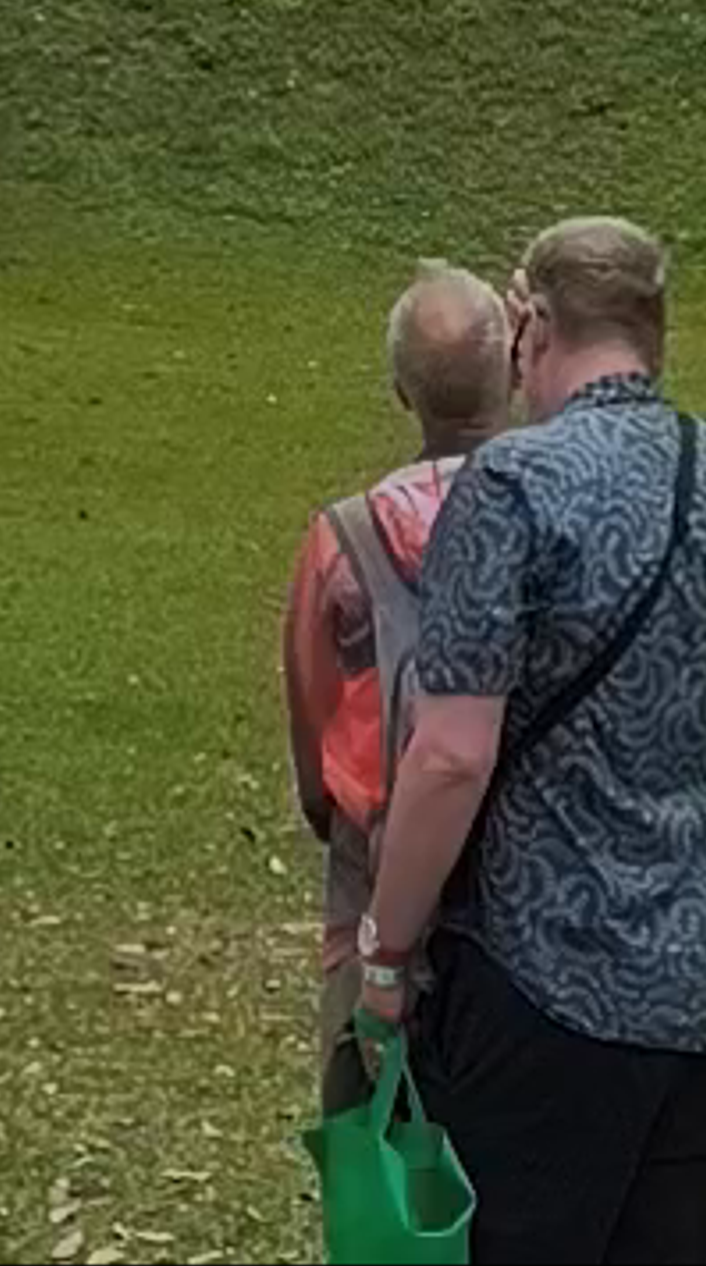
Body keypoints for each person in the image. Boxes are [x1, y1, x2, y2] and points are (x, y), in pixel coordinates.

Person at [356, 214, 706, 1266]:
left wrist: (386, 953)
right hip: (701, 981)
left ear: (530, 325)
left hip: (545, 983)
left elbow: (450, 753)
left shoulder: (510, 483)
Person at [282, 267, 515, 1093]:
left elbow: (311, 707)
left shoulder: (343, 537)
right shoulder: (549, 519)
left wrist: (332, 809)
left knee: (365, 1109)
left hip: (374, 852)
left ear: (400, 392)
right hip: (518, 856)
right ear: (513, 375)